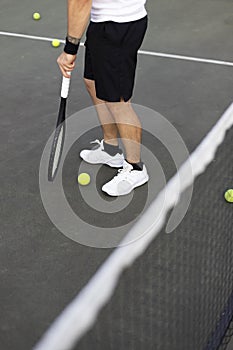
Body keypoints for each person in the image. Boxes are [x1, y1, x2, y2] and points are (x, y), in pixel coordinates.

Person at [57, 0, 149, 196]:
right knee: (93, 81)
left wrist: (70, 49)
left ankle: (135, 168)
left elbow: (80, 2)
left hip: (118, 26)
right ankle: (111, 149)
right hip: (105, 22)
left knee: (118, 101)